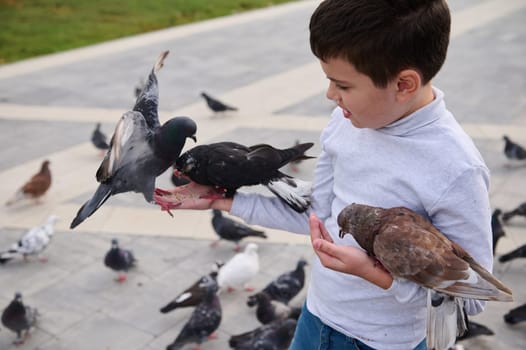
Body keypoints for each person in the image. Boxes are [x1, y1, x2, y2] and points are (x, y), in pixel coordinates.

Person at [156, 0, 493, 349]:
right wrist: (224, 200)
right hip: (315, 318)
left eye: (343, 86)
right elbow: (319, 214)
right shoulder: (345, 124)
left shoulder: (456, 168)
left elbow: (471, 298)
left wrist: (376, 275)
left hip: (384, 343)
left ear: (404, 84)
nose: (331, 95)